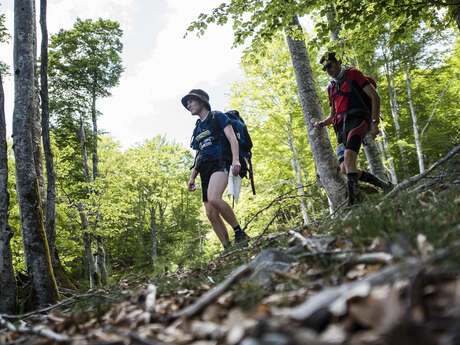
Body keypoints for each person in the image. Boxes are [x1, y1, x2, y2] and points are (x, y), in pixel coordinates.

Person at [315, 52, 392, 205]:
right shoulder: (331, 88)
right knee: (345, 168)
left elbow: (375, 97)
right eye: (325, 69)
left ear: (338, 62)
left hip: (358, 120)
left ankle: (353, 205)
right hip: (341, 128)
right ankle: (385, 186)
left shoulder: (353, 74)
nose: (328, 70)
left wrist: (375, 124)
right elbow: (332, 115)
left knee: (350, 160)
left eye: (329, 65)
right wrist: (322, 123)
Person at [182, 89, 250, 250]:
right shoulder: (197, 128)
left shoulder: (217, 116)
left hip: (220, 163)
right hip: (204, 170)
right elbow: (198, 155)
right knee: (211, 214)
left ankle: (240, 233)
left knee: (214, 197)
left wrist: (235, 160)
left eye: (191, 101)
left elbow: (232, 138)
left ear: (202, 101)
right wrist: (192, 177)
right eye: (187, 103)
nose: (188, 105)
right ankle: (228, 248)